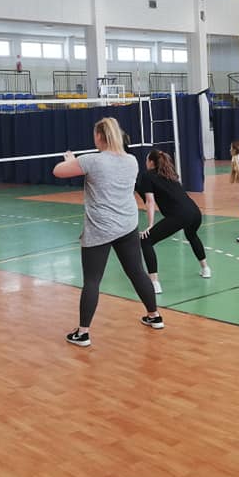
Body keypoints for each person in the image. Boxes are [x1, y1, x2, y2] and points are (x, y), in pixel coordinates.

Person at [53, 117, 163, 347]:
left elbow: (58, 171)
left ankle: (83, 333)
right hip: (127, 224)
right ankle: (154, 316)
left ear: (99, 136)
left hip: (101, 227)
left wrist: (71, 160)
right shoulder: (132, 160)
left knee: (92, 280)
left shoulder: (92, 160)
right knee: (137, 272)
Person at [137, 149, 210, 294]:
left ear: (151, 162)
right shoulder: (169, 173)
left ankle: (154, 283)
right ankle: (206, 268)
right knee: (192, 235)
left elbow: (150, 202)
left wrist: (150, 225)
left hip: (180, 215)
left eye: (146, 160)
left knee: (146, 240)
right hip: (195, 212)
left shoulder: (147, 175)